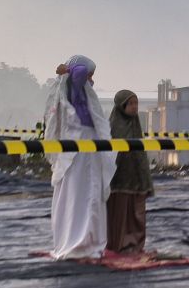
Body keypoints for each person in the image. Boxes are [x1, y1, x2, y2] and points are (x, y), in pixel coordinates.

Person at [43, 55, 117, 260]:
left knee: (90, 192)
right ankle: (78, 240)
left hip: (89, 147)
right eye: (90, 74)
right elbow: (80, 72)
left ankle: (90, 239)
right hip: (77, 147)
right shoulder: (74, 90)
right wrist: (68, 68)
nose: (91, 79)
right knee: (77, 191)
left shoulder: (83, 93)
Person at [107, 90, 154, 253]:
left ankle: (135, 245)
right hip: (118, 180)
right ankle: (118, 245)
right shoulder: (113, 125)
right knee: (119, 214)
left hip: (136, 178)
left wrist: (144, 177)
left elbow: (140, 152)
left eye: (136, 103)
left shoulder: (136, 124)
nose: (134, 107)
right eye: (131, 104)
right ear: (122, 106)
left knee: (137, 213)